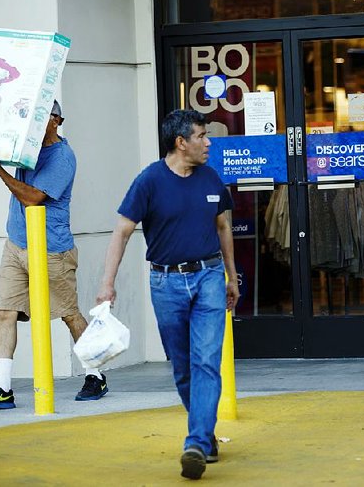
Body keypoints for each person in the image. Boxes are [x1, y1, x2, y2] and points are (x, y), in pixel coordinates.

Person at [96, 109, 239, 480]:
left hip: (208, 276)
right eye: (201, 135)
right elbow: (122, 231)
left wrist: (232, 276)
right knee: (183, 367)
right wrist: (107, 284)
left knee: (207, 361)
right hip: (166, 283)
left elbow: (223, 227)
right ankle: (205, 435)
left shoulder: (210, 177)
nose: (208, 142)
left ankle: (194, 441)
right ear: (181, 142)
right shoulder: (149, 181)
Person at [0, 100, 108, 409]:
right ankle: (3, 388)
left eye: (40, 117)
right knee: (5, 312)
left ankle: (95, 375)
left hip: (52, 250)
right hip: (16, 244)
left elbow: (33, 199)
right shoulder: (27, 148)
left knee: (69, 314)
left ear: (56, 120)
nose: (31, 122)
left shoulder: (63, 157)